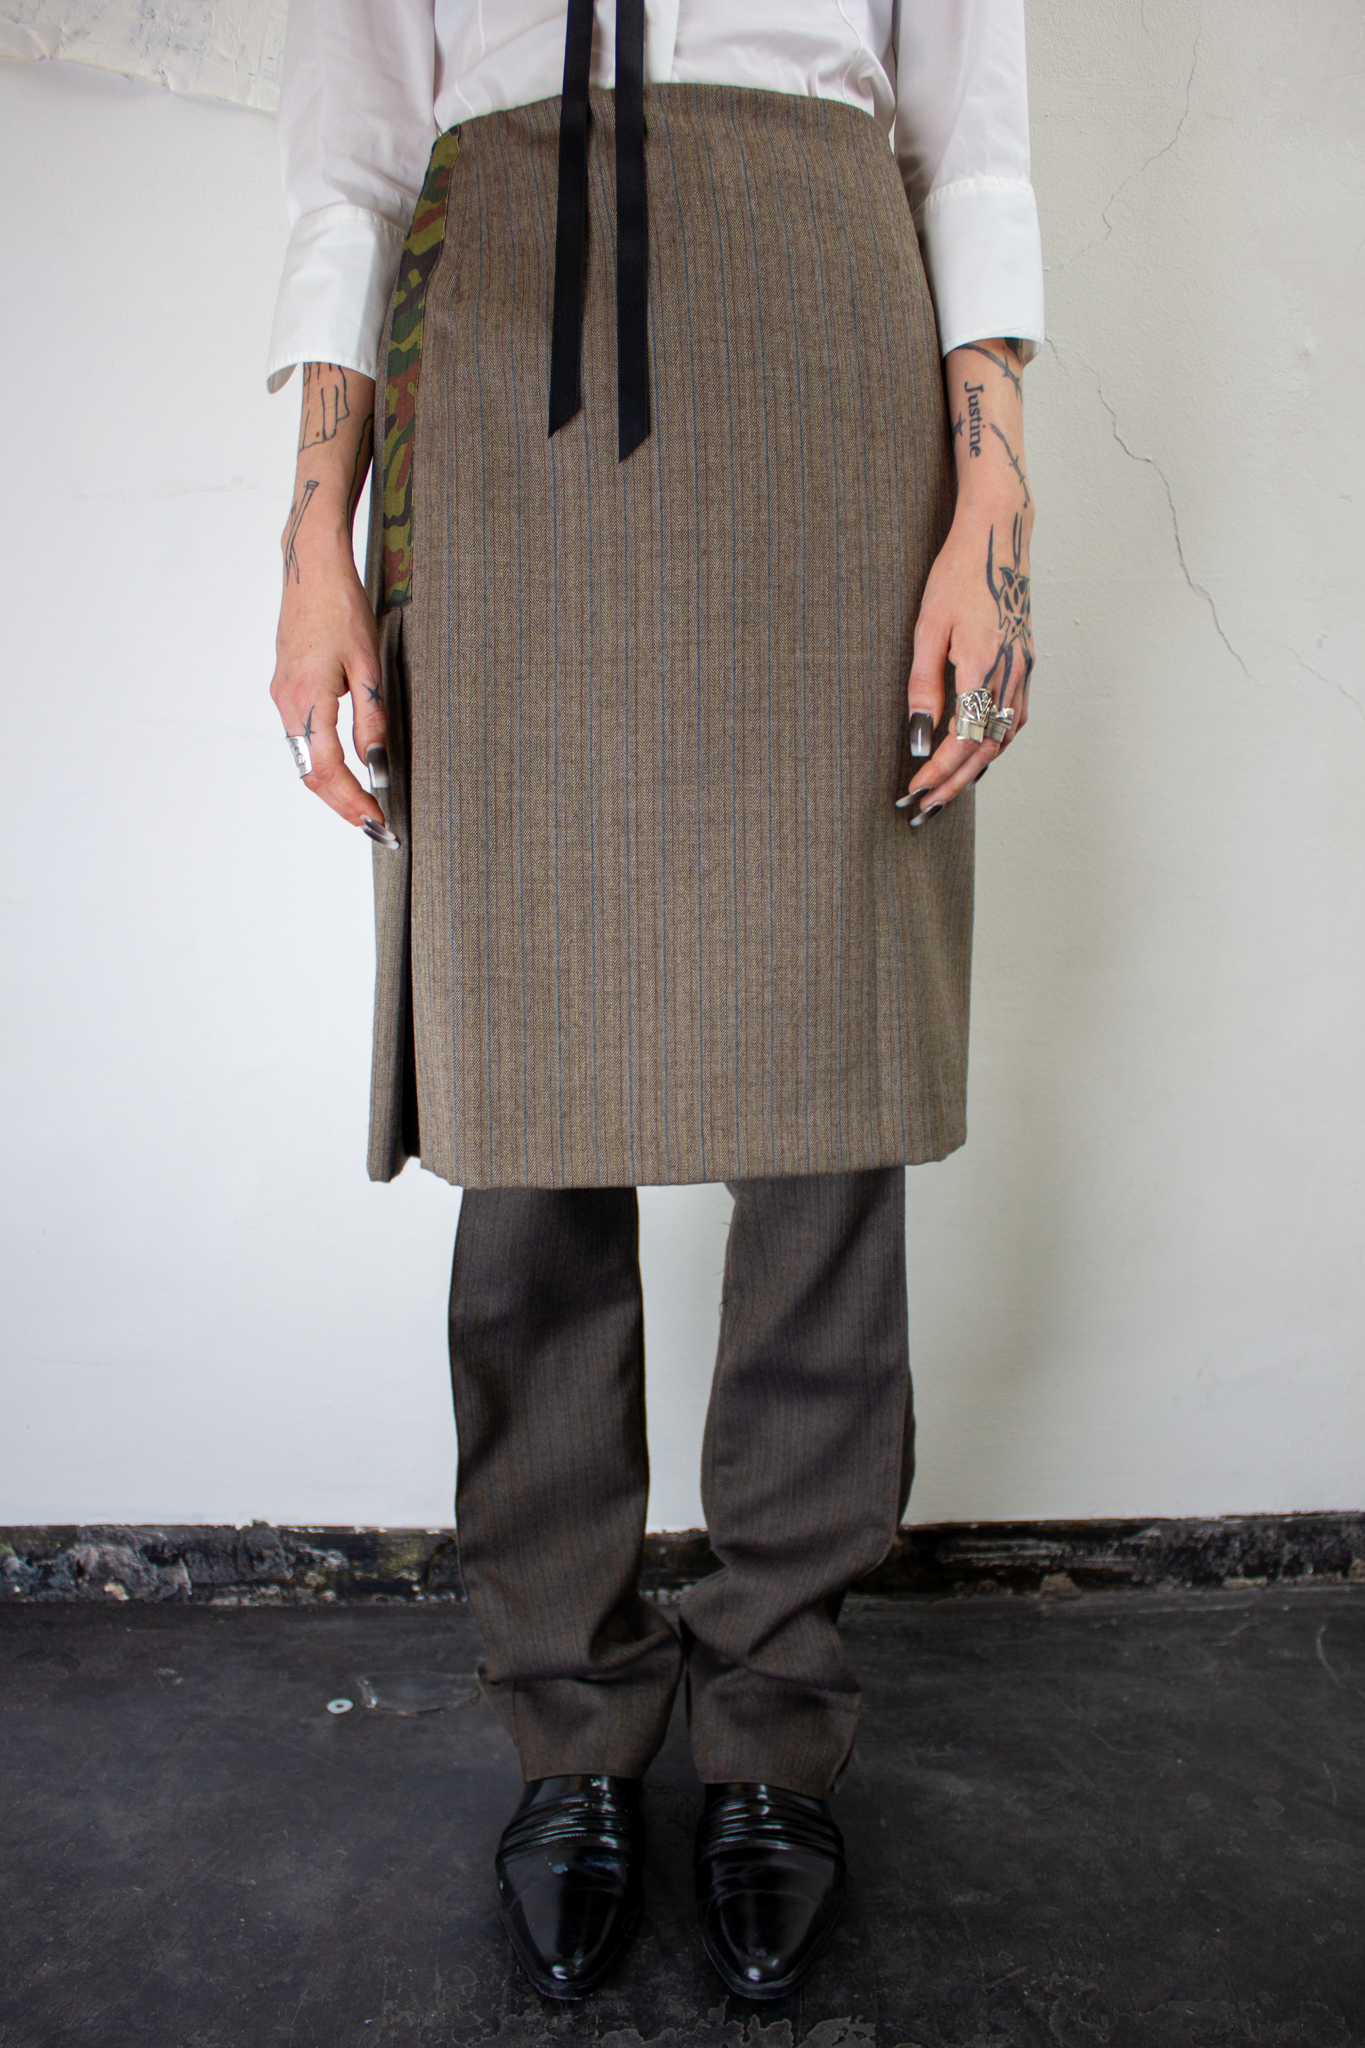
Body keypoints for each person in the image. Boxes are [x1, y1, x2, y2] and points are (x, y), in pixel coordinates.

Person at [266, 0, 1042, 2006]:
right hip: (493, 360)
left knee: (825, 1079)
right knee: (522, 1086)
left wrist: (990, 501)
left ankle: (776, 1715)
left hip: (827, 354)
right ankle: (570, 1726)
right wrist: (311, 532)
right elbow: (354, 156)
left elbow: (963, 127)